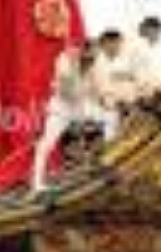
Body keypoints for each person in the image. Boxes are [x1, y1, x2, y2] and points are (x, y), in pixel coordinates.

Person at [32, 40, 114, 191]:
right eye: (88, 58)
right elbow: (66, 83)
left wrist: (107, 100)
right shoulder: (65, 61)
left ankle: (106, 162)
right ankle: (37, 183)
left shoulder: (95, 65)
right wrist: (73, 62)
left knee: (110, 118)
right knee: (46, 144)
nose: (90, 61)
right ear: (81, 53)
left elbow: (101, 88)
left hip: (81, 107)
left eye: (93, 58)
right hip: (61, 108)